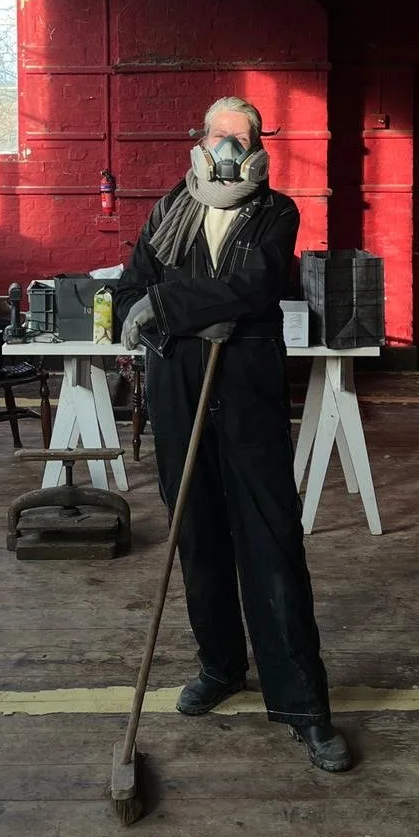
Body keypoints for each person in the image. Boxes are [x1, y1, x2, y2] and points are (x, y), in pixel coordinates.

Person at [114, 96, 350, 772]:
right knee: (197, 534)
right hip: (177, 386)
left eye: (242, 139)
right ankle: (220, 667)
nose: (228, 149)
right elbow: (132, 288)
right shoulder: (169, 208)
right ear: (201, 140)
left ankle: (303, 706)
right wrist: (150, 310)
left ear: (257, 149)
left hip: (245, 388)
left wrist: (166, 304)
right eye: (220, 135)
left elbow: (254, 284)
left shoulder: (275, 212)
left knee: (270, 541)